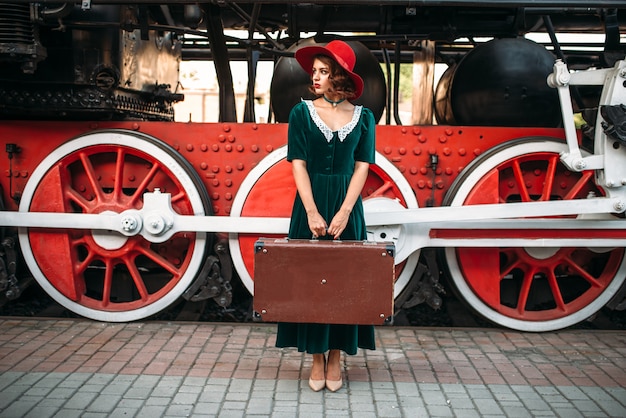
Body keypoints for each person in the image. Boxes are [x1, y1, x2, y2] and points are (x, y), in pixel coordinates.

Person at [275, 40, 376, 392]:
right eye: (313, 71)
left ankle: (336, 357)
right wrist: (312, 210)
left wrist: (347, 210)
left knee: (345, 282)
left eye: (322, 71)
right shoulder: (301, 113)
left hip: (348, 207)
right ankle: (317, 358)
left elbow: (363, 166)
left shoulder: (365, 117)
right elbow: (298, 165)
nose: (314, 77)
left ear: (339, 76)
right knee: (310, 280)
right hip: (310, 204)